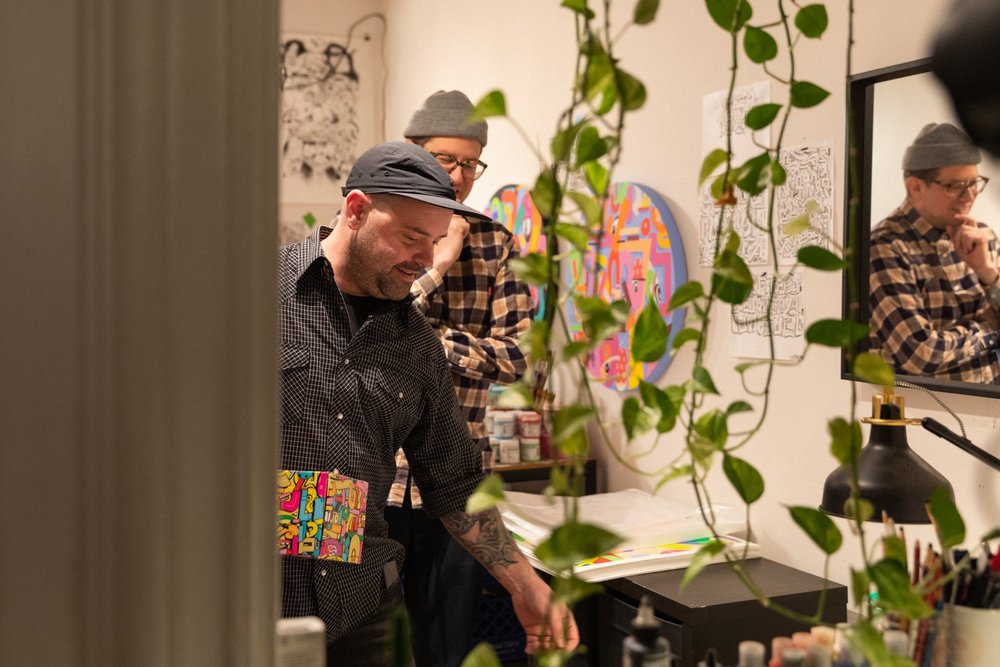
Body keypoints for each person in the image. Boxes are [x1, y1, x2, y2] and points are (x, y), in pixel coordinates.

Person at [278, 141, 577, 665]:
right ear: (356, 210)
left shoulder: (417, 343)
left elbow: (455, 481)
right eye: (412, 237)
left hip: (364, 608)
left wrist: (526, 584)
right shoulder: (254, 295)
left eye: (435, 241)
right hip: (252, 604)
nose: (425, 260)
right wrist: (310, 512)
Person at [383, 90, 535, 666]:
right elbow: (367, 335)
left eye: (471, 163)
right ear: (412, 151)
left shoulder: (495, 243)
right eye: (445, 159)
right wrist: (440, 262)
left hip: (458, 480)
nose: (458, 176)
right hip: (373, 474)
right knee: (366, 642)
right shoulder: (379, 227)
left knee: (445, 645)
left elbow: (516, 358)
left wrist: (428, 339)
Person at [868, 122, 1000, 382]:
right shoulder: (885, 247)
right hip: (924, 403)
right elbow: (922, 355)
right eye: (955, 185)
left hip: (988, 401)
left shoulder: (983, 236)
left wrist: (988, 273)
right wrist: (991, 330)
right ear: (915, 187)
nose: (969, 195)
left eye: (974, 183)